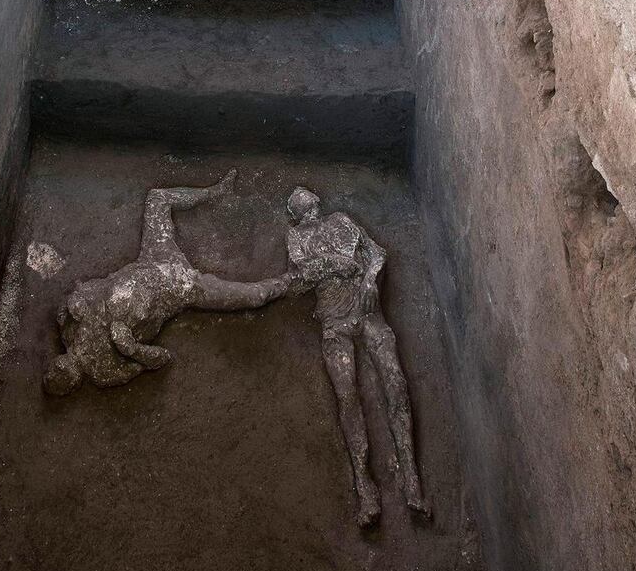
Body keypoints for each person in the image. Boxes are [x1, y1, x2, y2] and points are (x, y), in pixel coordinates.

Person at [44, 170, 287, 395]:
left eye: (52, 370)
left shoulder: (69, 332)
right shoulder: (104, 372)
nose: (58, 369)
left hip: (152, 259)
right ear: (74, 383)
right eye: (60, 377)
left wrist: (75, 301)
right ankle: (288, 281)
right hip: (177, 289)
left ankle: (216, 192)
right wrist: (130, 348)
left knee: (157, 198)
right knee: (253, 297)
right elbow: (161, 359)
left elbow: (75, 296)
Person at [285, 186, 431, 528]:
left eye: (313, 204)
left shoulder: (341, 221)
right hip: (335, 323)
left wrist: (369, 279)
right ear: (296, 215)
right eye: (304, 208)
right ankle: (365, 489)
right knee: (348, 399)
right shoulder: (295, 239)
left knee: (396, 386)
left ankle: (412, 481)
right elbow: (299, 280)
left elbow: (376, 252)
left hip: (369, 315)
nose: (312, 209)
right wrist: (333, 262)